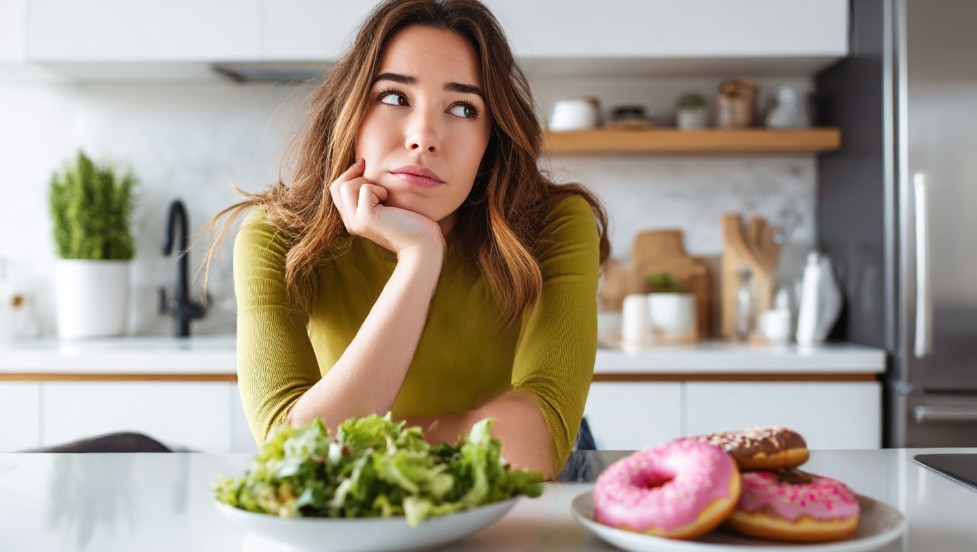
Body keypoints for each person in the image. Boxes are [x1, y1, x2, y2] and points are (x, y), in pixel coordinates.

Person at [206, 0, 609, 479]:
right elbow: (293, 457)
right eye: (395, 97)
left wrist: (345, 437)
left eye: (463, 108)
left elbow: (532, 450)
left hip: (527, 487)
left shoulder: (553, 223)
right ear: (352, 113)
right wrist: (419, 258)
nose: (424, 136)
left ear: (491, 138)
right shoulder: (276, 237)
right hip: (366, 497)